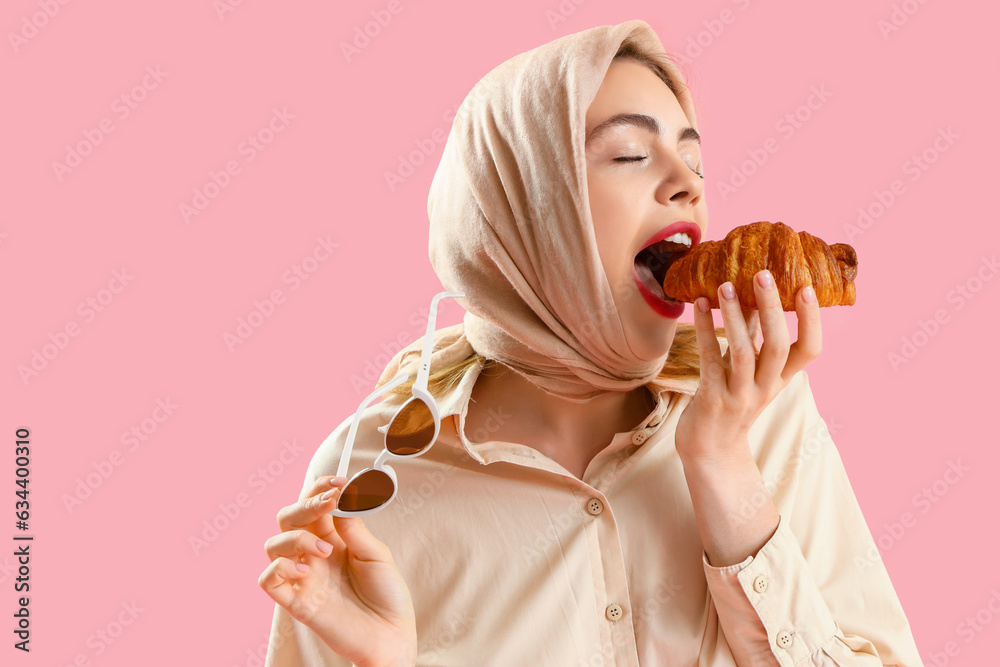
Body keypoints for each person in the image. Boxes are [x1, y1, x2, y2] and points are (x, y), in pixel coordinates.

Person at [258, 19, 924, 666]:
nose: (689, 182)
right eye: (631, 154)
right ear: (525, 208)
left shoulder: (760, 407)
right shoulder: (375, 477)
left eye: (693, 159)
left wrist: (723, 468)